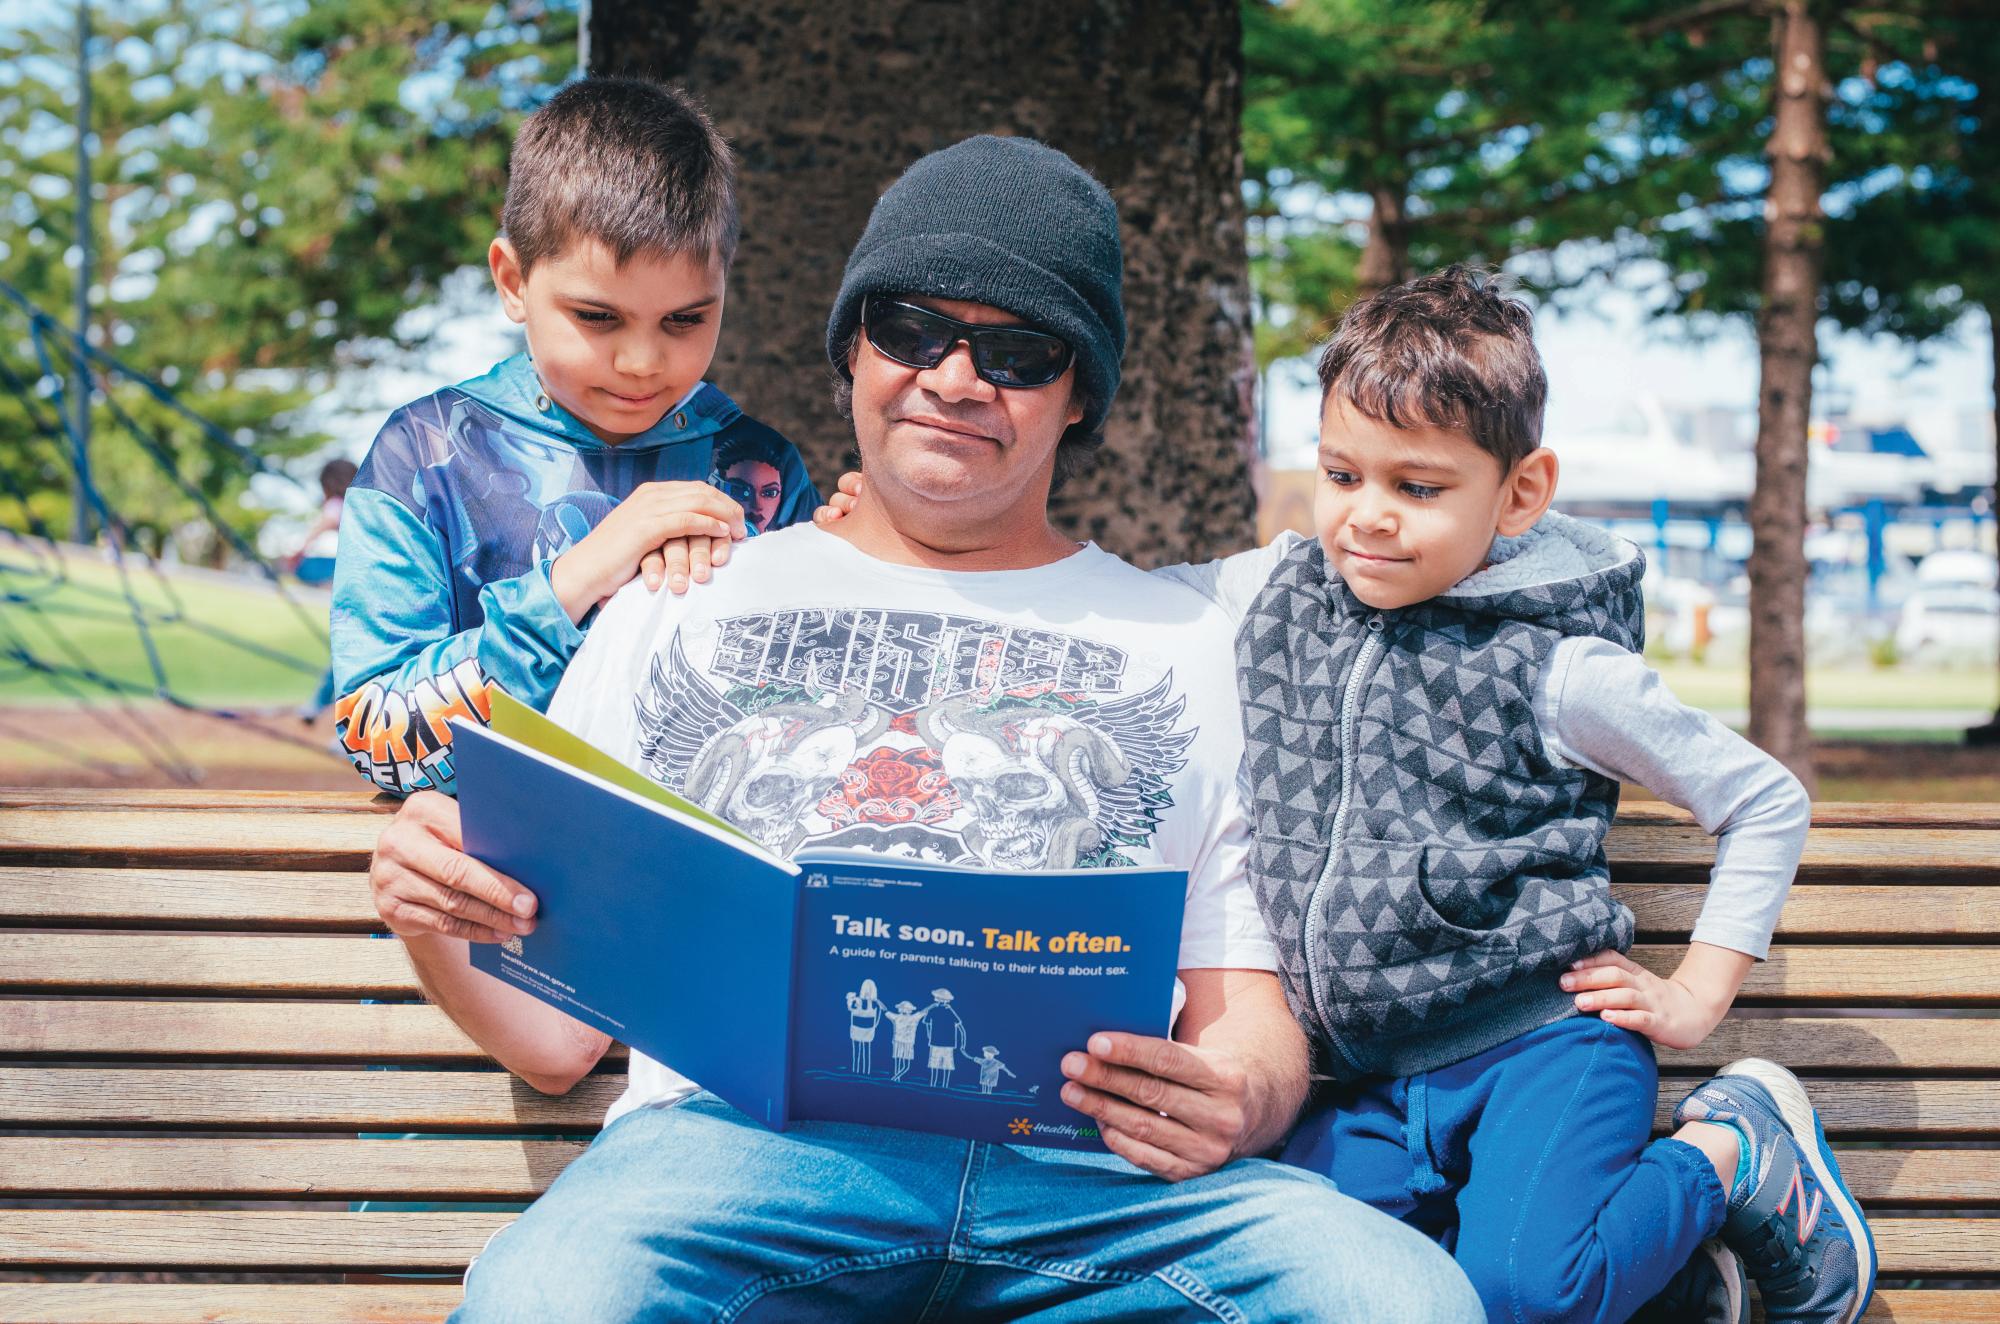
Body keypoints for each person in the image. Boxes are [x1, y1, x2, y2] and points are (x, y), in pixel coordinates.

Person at [368, 133, 1482, 1322]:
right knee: (549, 1303)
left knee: (1398, 1299)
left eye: (1014, 352)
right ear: (853, 344)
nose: (953, 378)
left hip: (1097, 1182)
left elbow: (1242, 1009)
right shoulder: (675, 600)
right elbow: (552, 1043)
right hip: (734, 1166)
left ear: (1078, 394)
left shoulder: (1190, 637)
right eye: (910, 330)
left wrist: (1232, 1093)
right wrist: (432, 914)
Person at [813, 268, 1874, 1324]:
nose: (1366, 519)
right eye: (1339, 474)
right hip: (1350, 1079)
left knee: (1523, 1293)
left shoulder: (1559, 666)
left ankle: (1730, 1155)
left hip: (1535, 1045)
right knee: (1327, 1293)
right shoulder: (1270, 590)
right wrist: (889, 535)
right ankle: (1679, 1281)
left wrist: (1695, 993)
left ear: (1519, 492)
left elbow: (1763, 800)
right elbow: (1109, 600)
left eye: (1416, 489)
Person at [328, 76, 820, 798]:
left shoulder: (760, 469)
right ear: (512, 281)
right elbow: (378, 740)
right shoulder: (422, 458)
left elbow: (799, 721)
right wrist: (576, 581)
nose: (642, 362)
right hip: (480, 895)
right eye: (597, 317)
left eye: (685, 320)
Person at [289, 457, 356, 724]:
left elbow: (328, 519)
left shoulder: (339, 503)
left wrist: (299, 549)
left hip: (356, 586)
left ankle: (322, 707)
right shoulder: (367, 500)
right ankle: (321, 707)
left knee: (346, 653)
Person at [845, 978, 882, 1074]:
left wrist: (875, 1026)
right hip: (860, 1027)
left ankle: (861, 1070)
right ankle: (860, 1070)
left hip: (865, 1028)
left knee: (862, 1049)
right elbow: (850, 1008)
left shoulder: (871, 1002)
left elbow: (880, 1012)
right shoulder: (858, 1000)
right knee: (861, 1050)